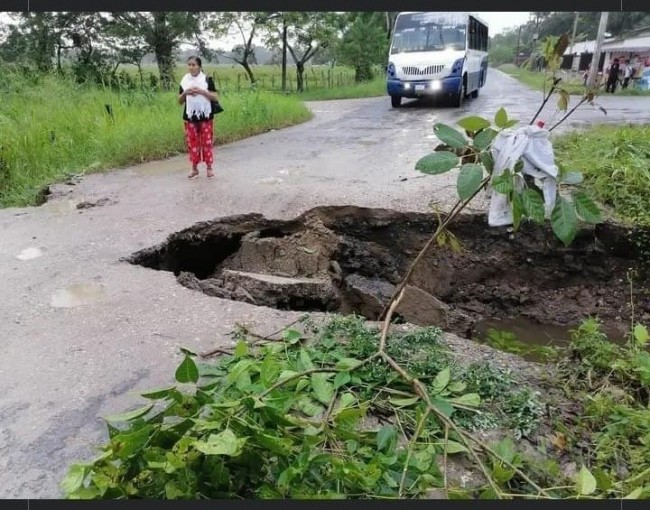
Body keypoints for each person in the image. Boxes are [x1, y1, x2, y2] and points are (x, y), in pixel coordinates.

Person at [178, 56, 219, 179]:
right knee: (192, 143)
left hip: (205, 116)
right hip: (190, 117)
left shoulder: (207, 80)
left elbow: (215, 97)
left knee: (207, 142)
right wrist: (186, 92)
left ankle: (209, 168)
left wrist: (201, 91)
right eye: (189, 64)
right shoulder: (184, 81)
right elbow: (179, 101)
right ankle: (194, 169)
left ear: (199, 66)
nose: (191, 67)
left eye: (194, 65)